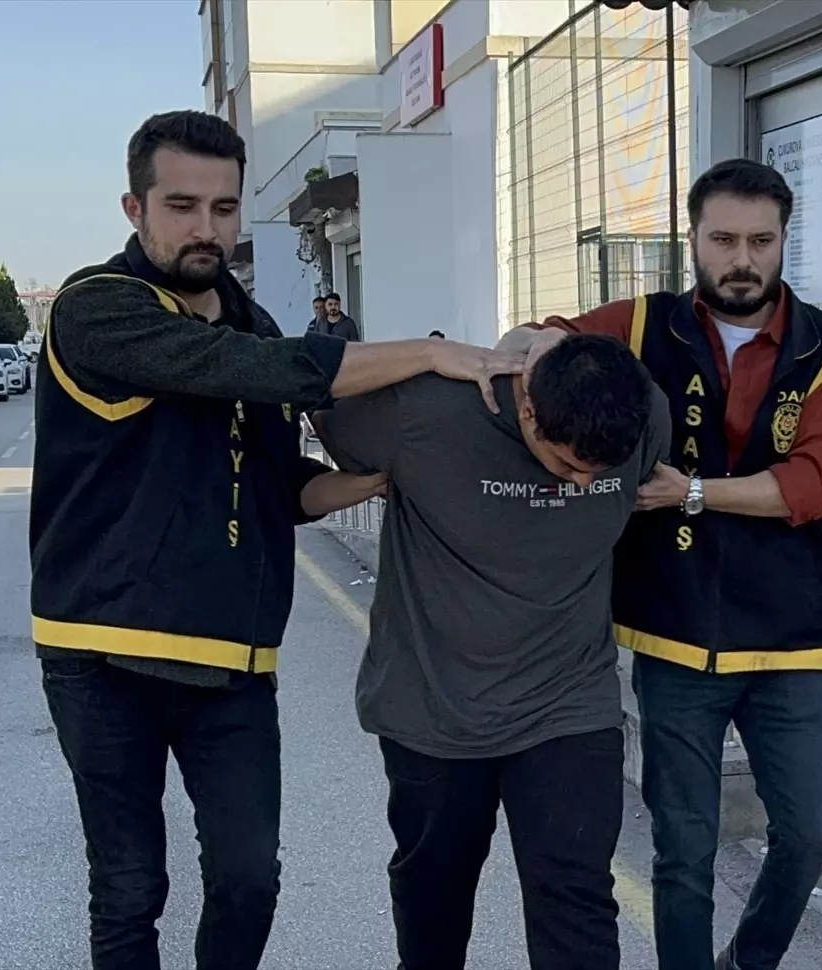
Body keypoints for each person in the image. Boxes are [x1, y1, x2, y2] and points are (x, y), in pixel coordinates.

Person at [30, 109, 522, 970]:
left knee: (250, 880)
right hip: (103, 650)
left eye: (223, 208)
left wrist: (371, 480)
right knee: (129, 889)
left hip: (233, 655)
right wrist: (429, 353)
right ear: (134, 208)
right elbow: (250, 372)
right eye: (181, 206)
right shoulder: (96, 308)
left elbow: (271, 481)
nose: (205, 228)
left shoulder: (248, 321)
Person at [501, 158, 822, 970]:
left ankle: (748, 960)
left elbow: (812, 486)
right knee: (683, 850)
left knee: (810, 832)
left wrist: (691, 492)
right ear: (693, 239)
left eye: (761, 241)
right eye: (724, 239)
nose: (743, 259)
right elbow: (539, 338)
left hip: (791, 640)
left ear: (784, 241)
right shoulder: (640, 325)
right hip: (673, 637)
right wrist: (527, 353)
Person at [310, 334, 671, 970]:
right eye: (568, 466)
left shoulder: (645, 411)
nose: (584, 482)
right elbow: (308, 384)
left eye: (600, 474)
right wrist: (426, 352)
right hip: (434, 707)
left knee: (577, 901)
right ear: (528, 409)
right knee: (434, 901)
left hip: (569, 703)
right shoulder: (422, 411)